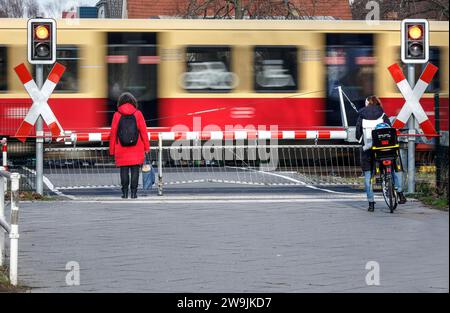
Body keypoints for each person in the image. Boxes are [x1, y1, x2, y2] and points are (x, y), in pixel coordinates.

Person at [356, 95, 406, 212]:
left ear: (367, 103)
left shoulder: (361, 115)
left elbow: (358, 134)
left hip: (368, 150)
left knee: (368, 176)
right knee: (394, 168)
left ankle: (371, 204)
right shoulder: (383, 114)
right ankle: (400, 193)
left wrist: (363, 141)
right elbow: (389, 130)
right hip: (384, 149)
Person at [110, 92, 150, 199]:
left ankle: (124, 193)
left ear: (120, 103)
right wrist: (147, 147)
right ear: (133, 102)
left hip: (121, 149)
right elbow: (143, 132)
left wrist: (112, 150)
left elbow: (113, 133)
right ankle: (134, 193)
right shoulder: (138, 114)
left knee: (123, 171)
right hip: (136, 148)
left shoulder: (116, 115)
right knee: (135, 171)